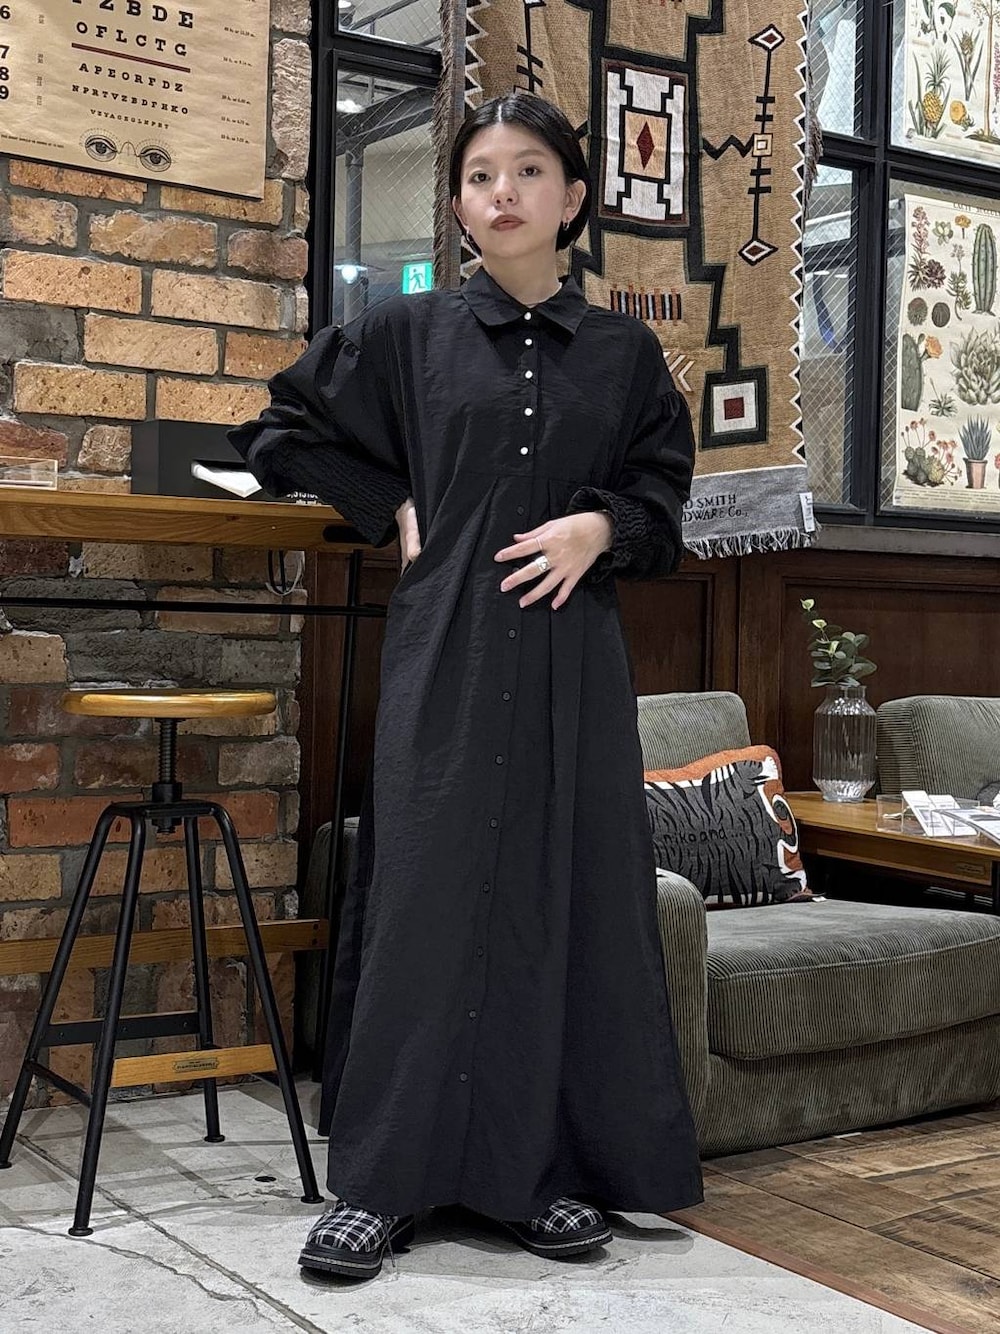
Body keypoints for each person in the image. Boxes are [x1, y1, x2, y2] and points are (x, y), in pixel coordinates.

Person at [230, 89, 704, 1282]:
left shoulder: (624, 355)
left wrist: (600, 526)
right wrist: (386, 500)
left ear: (573, 197)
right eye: (481, 174)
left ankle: (533, 1175)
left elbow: (663, 502)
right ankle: (379, 1184)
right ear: (455, 204)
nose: (503, 192)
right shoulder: (406, 332)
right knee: (425, 900)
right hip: (446, 646)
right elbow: (281, 429)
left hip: (572, 663)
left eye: (529, 170)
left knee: (560, 900)